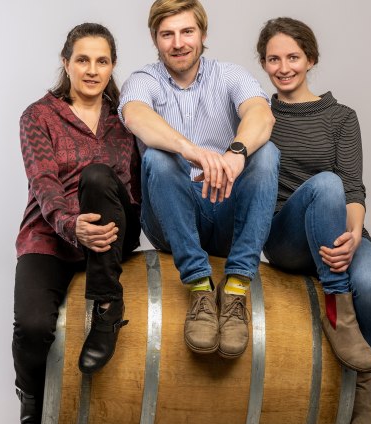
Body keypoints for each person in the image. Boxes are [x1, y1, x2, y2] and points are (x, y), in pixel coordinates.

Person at [119, 0, 278, 359]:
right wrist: (191, 150)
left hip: (225, 211)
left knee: (267, 153)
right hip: (169, 215)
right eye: (167, 34)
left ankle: (237, 287)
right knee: (158, 156)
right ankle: (199, 287)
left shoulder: (230, 75)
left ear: (203, 34)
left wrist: (235, 152)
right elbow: (136, 115)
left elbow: (261, 115)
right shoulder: (143, 80)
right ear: (155, 39)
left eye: (187, 31)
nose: (178, 43)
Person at [256, 17, 371, 424]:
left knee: (370, 285)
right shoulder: (259, 114)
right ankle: (338, 306)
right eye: (273, 59)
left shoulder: (341, 118)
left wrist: (351, 237)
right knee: (324, 183)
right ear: (263, 64)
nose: (283, 67)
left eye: (293, 57)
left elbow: (353, 187)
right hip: (287, 237)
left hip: (341, 231)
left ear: (311, 59)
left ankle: (362, 381)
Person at [11, 23, 141, 424]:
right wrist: (72, 225)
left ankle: (107, 309)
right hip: (51, 234)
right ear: (66, 63)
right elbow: (43, 182)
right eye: (82, 60)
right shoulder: (39, 115)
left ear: (113, 66)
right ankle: (31, 395)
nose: (91, 69)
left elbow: (140, 184)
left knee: (99, 176)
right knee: (32, 327)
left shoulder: (127, 119)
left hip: (112, 229)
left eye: (101, 61)